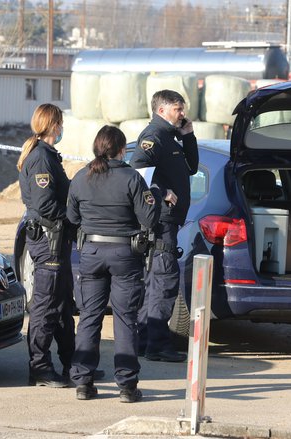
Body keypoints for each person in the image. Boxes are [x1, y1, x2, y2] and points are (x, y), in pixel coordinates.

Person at [67, 125, 171, 402]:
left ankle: (83, 382)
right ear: (122, 149)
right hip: (124, 253)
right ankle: (126, 386)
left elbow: (72, 217)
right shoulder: (132, 178)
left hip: (90, 252)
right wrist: (158, 196)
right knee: (125, 318)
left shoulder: (80, 177)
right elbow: (149, 219)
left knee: (90, 317)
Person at [130, 89, 198, 363]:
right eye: (177, 109)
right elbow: (138, 170)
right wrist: (162, 190)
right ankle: (157, 344)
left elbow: (192, 167)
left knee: (157, 280)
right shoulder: (153, 137)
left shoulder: (170, 137)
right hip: (162, 221)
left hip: (170, 221)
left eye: (182, 109)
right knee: (164, 280)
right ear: (161, 111)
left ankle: (146, 341)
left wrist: (189, 135)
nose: (182, 114)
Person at [17, 103, 74, 387]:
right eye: (61, 123)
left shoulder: (48, 156)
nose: (62, 128)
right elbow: (45, 205)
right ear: (54, 125)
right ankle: (40, 367)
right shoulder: (40, 158)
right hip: (49, 240)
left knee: (63, 305)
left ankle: (71, 365)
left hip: (57, 240)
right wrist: (72, 215)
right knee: (46, 306)